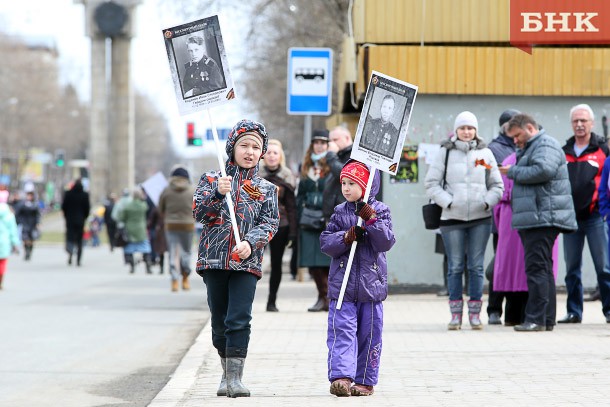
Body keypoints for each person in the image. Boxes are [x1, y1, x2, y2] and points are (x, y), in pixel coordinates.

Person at [192, 119, 279, 398]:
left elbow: (270, 223)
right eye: (244, 145)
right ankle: (224, 373)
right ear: (232, 147)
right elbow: (199, 213)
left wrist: (251, 243)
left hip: (246, 263)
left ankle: (235, 379)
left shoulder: (267, 189)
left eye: (256, 147)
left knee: (239, 318)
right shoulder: (211, 179)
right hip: (214, 261)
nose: (250, 151)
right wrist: (218, 193)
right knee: (220, 321)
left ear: (262, 152)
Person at [320, 160, 395, 397]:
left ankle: (364, 380)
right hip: (343, 287)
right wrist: (346, 237)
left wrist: (371, 220)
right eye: (344, 183)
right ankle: (341, 377)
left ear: (367, 185)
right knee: (341, 331)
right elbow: (326, 243)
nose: (346, 188)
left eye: (352, 183)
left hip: (370, 288)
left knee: (369, 335)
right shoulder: (340, 212)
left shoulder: (381, 210)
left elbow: (386, 241)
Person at [424, 111, 503, 330]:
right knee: (456, 266)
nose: (466, 132)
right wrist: (448, 202)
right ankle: (455, 315)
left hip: (481, 218)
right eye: (462, 128)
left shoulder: (485, 154)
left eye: (470, 128)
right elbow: (431, 183)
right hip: (451, 218)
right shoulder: (445, 153)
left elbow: (497, 185)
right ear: (456, 130)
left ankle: (475, 315)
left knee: (476, 267)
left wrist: (487, 202)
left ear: (476, 131)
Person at [500, 113, 578, 331]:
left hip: (542, 218)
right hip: (538, 216)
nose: (514, 140)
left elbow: (544, 170)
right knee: (542, 268)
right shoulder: (534, 146)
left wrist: (513, 171)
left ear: (530, 128)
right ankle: (546, 319)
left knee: (536, 269)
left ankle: (535, 318)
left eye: (517, 135)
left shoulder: (545, 145)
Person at [557, 104, 610, 324]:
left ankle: (608, 310)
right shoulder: (564, 151)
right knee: (572, 269)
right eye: (575, 121)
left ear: (592, 123)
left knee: (604, 267)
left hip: (596, 217)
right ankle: (574, 312)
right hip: (571, 219)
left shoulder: (602, 150)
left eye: (583, 121)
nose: (579, 125)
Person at [494, 152, 560, 326]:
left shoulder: (511, 160)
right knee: (539, 267)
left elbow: (500, 201)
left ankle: (516, 316)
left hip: (515, 218)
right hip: (538, 217)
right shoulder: (549, 157)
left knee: (518, 268)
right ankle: (543, 317)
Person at [486, 109, 520, 325]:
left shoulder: (523, 146)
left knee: (516, 266)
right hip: (503, 217)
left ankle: (514, 310)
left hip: (521, 215)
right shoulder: (494, 149)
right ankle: (494, 309)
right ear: (505, 127)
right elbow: (493, 174)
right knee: (500, 263)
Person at [259, 139, 297, 312]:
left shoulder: (287, 176)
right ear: (263, 156)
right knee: (252, 262)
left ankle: (271, 301)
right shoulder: (255, 174)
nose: (272, 156)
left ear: (280, 155)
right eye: (269, 153)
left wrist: (293, 233)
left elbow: (291, 207)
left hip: (280, 225)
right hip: (257, 224)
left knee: (276, 264)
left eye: (275, 153)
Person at [298, 130, 332, 312]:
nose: (319, 145)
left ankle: (328, 298)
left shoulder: (332, 166)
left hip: (326, 219)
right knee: (313, 263)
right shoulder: (305, 167)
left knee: (327, 261)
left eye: (323, 142)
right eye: (316, 142)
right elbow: (300, 195)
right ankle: (321, 296)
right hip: (308, 219)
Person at [159, 165, 196, 292]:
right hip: (188, 225)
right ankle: (185, 278)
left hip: (171, 225)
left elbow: (161, 208)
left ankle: (174, 281)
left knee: (173, 252)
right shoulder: (192, 190)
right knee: (186, 252)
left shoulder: (166, 190)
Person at [117, 188, 153, 274]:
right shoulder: (143, 205)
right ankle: (148, 265)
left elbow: (121, 217)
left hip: (130, 229)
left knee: (129, 248)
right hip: (141, 228)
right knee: (145, 248)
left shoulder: (128, 206)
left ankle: (132, 266)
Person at [323, 126, 354, 223]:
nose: (331, 143)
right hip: (333, 214)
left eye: (335, 139)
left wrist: (331, 155)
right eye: (330, 141)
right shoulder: (339, 155)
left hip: (346, 214)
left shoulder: (354, 155)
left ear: (347, 138)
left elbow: (345, 174)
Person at [61, 179, 91, 267]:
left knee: (70, 238)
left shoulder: (68, 193)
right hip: (80, 220)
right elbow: (87, 208)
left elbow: (64, 207)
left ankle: (70, 253)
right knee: (79, 241)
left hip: (70, 220)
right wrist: (84, 217)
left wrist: (66, 216)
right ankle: (78, 260)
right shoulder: (85, 195)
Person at [0, 190, 20, 290]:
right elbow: (13, 231)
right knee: (2, 262)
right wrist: (15, 244)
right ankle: (1, 282)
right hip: (4, 242)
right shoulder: (9, 215)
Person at [14, 190, 41, 261]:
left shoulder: (35, 204)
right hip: (25, 223)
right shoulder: (23, 204)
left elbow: (38, 215)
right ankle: (26, 252)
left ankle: (30, 251)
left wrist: (38, 223)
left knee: (31, 239)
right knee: (25, 238)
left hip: (33, 224)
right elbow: (18, 213)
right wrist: (19, 221)